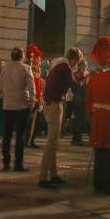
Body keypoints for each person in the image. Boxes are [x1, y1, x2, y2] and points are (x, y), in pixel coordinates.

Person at [39, 49, 81, 188]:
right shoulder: (65, 66)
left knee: (54, 141)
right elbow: (73, 84)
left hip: (50, 103)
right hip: (54, 104)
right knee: (52, 142)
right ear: (74, 59)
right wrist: (83, 79)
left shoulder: (57, 64)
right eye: (77, 61)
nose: (76, 64)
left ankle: (53, 174)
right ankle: (43, 177)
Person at [87, 37, 110, 194]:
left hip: (97, 118)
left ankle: (97, 185)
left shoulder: (92, 79)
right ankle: (106, 185)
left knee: (99, 152)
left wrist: (93, 115)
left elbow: (88, 103)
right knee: (108, 153)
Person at [0, 46, 35, 172]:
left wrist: (2, 96)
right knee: (20, 135)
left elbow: (0, 84)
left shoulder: (4, 68)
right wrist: (32, 102)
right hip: (21, 105)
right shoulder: (26, 68)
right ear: (22, 56)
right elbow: (31, 87)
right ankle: (18, 163)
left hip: (7, 105)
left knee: (7, 135)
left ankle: (6, 162)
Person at [65, 50, 89, 145]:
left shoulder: (77, 67)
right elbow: (78, 78)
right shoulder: (79, 69)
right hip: (79, 95)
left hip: (77, 95)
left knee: (78, 117)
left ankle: (76, 138)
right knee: (79, 117)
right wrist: (84, 75)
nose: (86, 68)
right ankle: (76, 139)